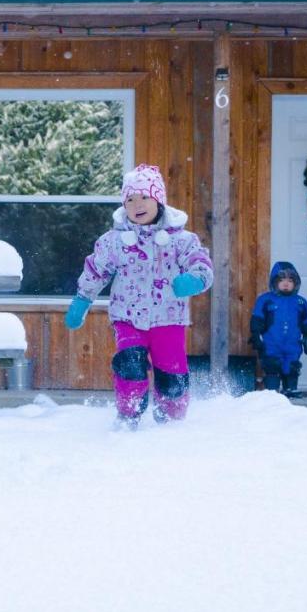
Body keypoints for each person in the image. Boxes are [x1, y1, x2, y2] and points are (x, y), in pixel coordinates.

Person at [64, 164, 213, 429]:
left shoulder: (181, 239)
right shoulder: (115, 241)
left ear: (159, 200)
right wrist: (82, 299)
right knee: (129, 364)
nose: (137, 204)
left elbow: (201, 264)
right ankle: (129, 414)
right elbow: (96, 270)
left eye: (144, 197)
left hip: (169, 317)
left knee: (171, 371)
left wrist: (194, 280)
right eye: (130, 199)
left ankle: (171, 419)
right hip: (128, 317)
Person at [249, 262, 307, 398]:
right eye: (282, 280)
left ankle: (290, 389)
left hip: (292, 344)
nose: (286, 283)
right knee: (272, 366)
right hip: (271, 344)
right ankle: (272, 393)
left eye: (290, 280)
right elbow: (257, 318)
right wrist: (256, 335)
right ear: (274, 281)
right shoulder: (265, 300)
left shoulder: (300, 302)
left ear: (296, 282)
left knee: (291, 367)